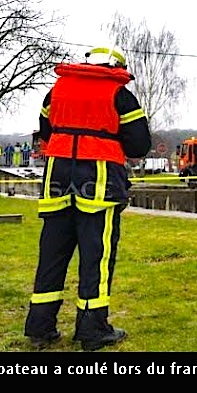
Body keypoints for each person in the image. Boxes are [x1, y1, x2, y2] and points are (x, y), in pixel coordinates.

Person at [24, 46, 151, 351]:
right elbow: (138, 145)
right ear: (114, 66)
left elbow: (45, 130)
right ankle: (93, 331)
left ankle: (41, 329)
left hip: (57, 178)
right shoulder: (119, 94)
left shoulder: (57, 90)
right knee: (97, 258)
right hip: (99, 181)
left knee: (52, 256)